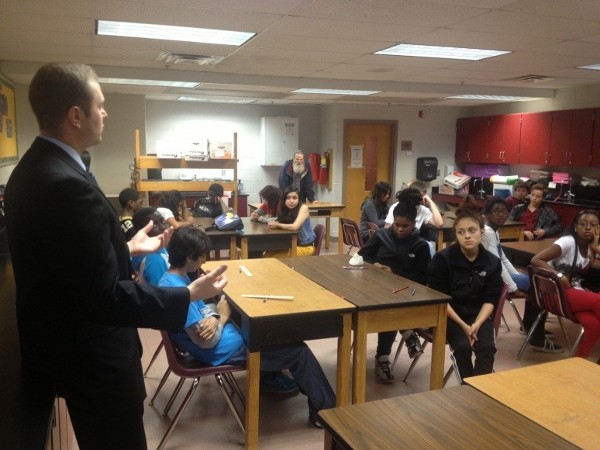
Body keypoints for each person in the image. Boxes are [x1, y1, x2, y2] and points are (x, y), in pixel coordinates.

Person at [4, 62, 228, 449]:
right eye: (100, 104)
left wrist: (124, 248)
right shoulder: (64, 186)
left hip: (67, 345)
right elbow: (102, 296)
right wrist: (190, 294)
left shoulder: (33, 169)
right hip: (94, 359)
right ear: (76, 115)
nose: (105, 113)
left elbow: (69, 262)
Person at [159, 225, 335, 427]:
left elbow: (206, 309)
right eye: (201, 256)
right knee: (299, 352)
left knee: (274, 332)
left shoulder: (174, 280)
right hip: (222, 351)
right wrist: (222, 317)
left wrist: (214, 315)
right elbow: (205, 341)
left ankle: (269, 379)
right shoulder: (179, 289)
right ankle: (327, 412)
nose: (204, 260)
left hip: (227, 342)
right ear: (190, 257)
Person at [358, 190, 432, 382]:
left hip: (409, 292)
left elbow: (422, 278)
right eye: (397, 225)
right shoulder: (382, 235)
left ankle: (383, 355)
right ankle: (407, 331)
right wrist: (374, 265)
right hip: (376, 287)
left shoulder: (420, 245)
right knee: (388, 304)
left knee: (391, 307)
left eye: (404, 226)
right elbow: (364, 255)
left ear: (414, 224)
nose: (399, 229)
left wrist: (394, 273)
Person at [428, 207, 504, 380]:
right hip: (451, 316)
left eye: (472, 230)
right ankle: (468, 388)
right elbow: (440, 299)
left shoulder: (492, 262)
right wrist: (463, 325)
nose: (467, 236)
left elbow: (490, 299)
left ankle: (480, 389)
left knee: (486, 348)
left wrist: (477, 323)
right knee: (463, 347)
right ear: (456, 235)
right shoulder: (442, 259)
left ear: (482, 232)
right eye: (461, 232)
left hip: (479, 316)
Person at [481, 196, 561, 353]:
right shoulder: (488, 232)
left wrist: (516, 275)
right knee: (539, 285)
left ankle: (529, 326)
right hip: (491, 280)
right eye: (496, 211)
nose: (501, 214)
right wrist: (513, 288)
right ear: (487, 214)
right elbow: (496, 264)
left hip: (497, 276)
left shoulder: (494, 231)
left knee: (534, 281)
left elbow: (503, 257)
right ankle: (536, 335)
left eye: (504, 211)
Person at [531, 210, 600, 359]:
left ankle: (579, 360)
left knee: (594, 323)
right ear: (575, 226)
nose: (588, 228)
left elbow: (585, 267)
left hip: (572, 293)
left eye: (593, 225)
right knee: (598, 301)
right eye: (583, 224)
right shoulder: (567, 242)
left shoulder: (590, 246)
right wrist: (559, 275)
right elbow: (536, 260)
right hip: (555, 293)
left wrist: (596, 248)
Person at [266, 186, 316, 257]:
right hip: (293, 244)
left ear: (299, 199)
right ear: (284, 199)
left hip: (306, 247)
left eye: (295, 198)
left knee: (273, 256)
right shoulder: (287, 209)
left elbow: (294, 227)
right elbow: (277, 220)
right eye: (288, 198)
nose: (291, 201)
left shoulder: (304, 208)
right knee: (267, 253)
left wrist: (278, 225)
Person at [131, 207, 170, 286]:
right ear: (142, 232)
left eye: (163, 221)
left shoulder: (156, 248)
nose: (163, 227)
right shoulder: (155, 261)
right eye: (155, 225)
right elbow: (162, 294)